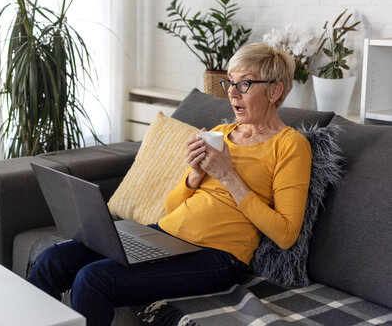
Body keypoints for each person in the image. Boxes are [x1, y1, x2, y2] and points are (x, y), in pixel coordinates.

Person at [27, 43, 312, 325]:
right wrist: (194, 175)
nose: (232, 93)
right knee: (54, 260)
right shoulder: (220, 133)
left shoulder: (290, 145)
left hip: (218, 256)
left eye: (245, 84)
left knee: (93, 279)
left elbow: (286, 233)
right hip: (164, 235)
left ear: (275, 91)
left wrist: (227, 175)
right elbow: (171, 206)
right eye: (230, 82)